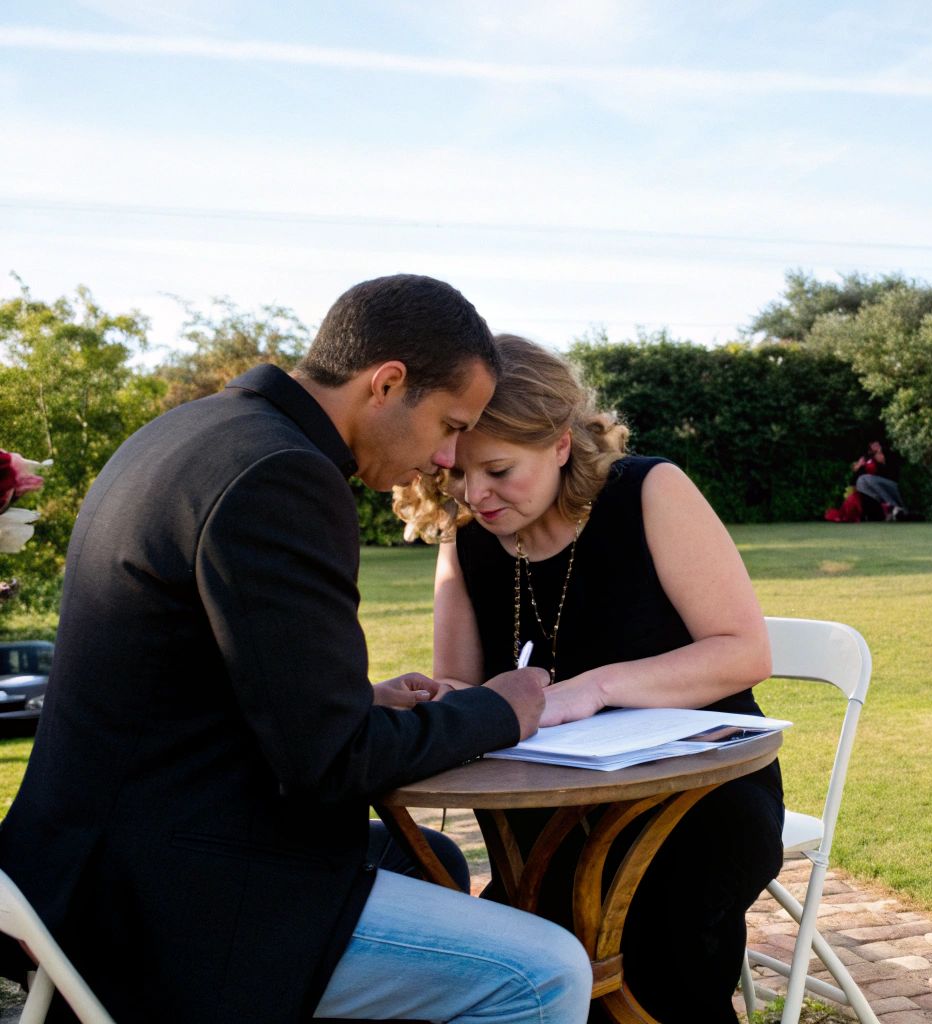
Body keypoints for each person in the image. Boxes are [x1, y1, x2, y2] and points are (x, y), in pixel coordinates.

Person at [0, 276, 594, 1023]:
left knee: (430, 861)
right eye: (449, 425)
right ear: (387, 384)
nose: (448, 458)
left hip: (74, 865)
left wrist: (360, 701)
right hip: (157, 905)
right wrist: (501, 711)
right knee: (543, 974)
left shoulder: (192, 432)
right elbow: (332, 765)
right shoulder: (282, 476)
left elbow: (186, 678)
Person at [394, 334, 782, 1023]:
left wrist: (596, 687)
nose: (473, 494)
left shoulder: (648, 491)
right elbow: (462, 681)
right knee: (526, 948)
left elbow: (744, 652)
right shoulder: (469, 535)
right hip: (540, 810)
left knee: (654, 941)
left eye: (499, 471)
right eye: (457, 473)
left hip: (694, 796)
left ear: (562, 445)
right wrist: (433, 696)